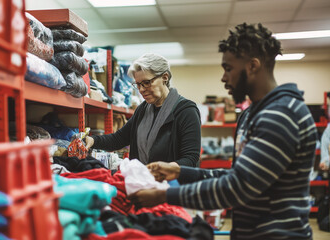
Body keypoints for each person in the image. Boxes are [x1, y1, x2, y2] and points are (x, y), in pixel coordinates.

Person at [129, 23, 318, 239]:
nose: (224, 78)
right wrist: (180, 172)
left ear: (253, 66)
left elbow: (238, 187)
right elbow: (241, 175)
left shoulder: (281, 114)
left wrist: (165, 195)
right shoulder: (254, 113)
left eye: (228, 69)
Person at [85, 53, 201, 167]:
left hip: (172, 183)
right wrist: (93, 141)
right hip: (142, 180)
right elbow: (119, 139)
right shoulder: (142, 110)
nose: (141, 90)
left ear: (165, 77)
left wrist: (161, 170)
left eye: (146, 83)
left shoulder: (186, 111)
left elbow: (190, 158)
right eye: (138, 84)